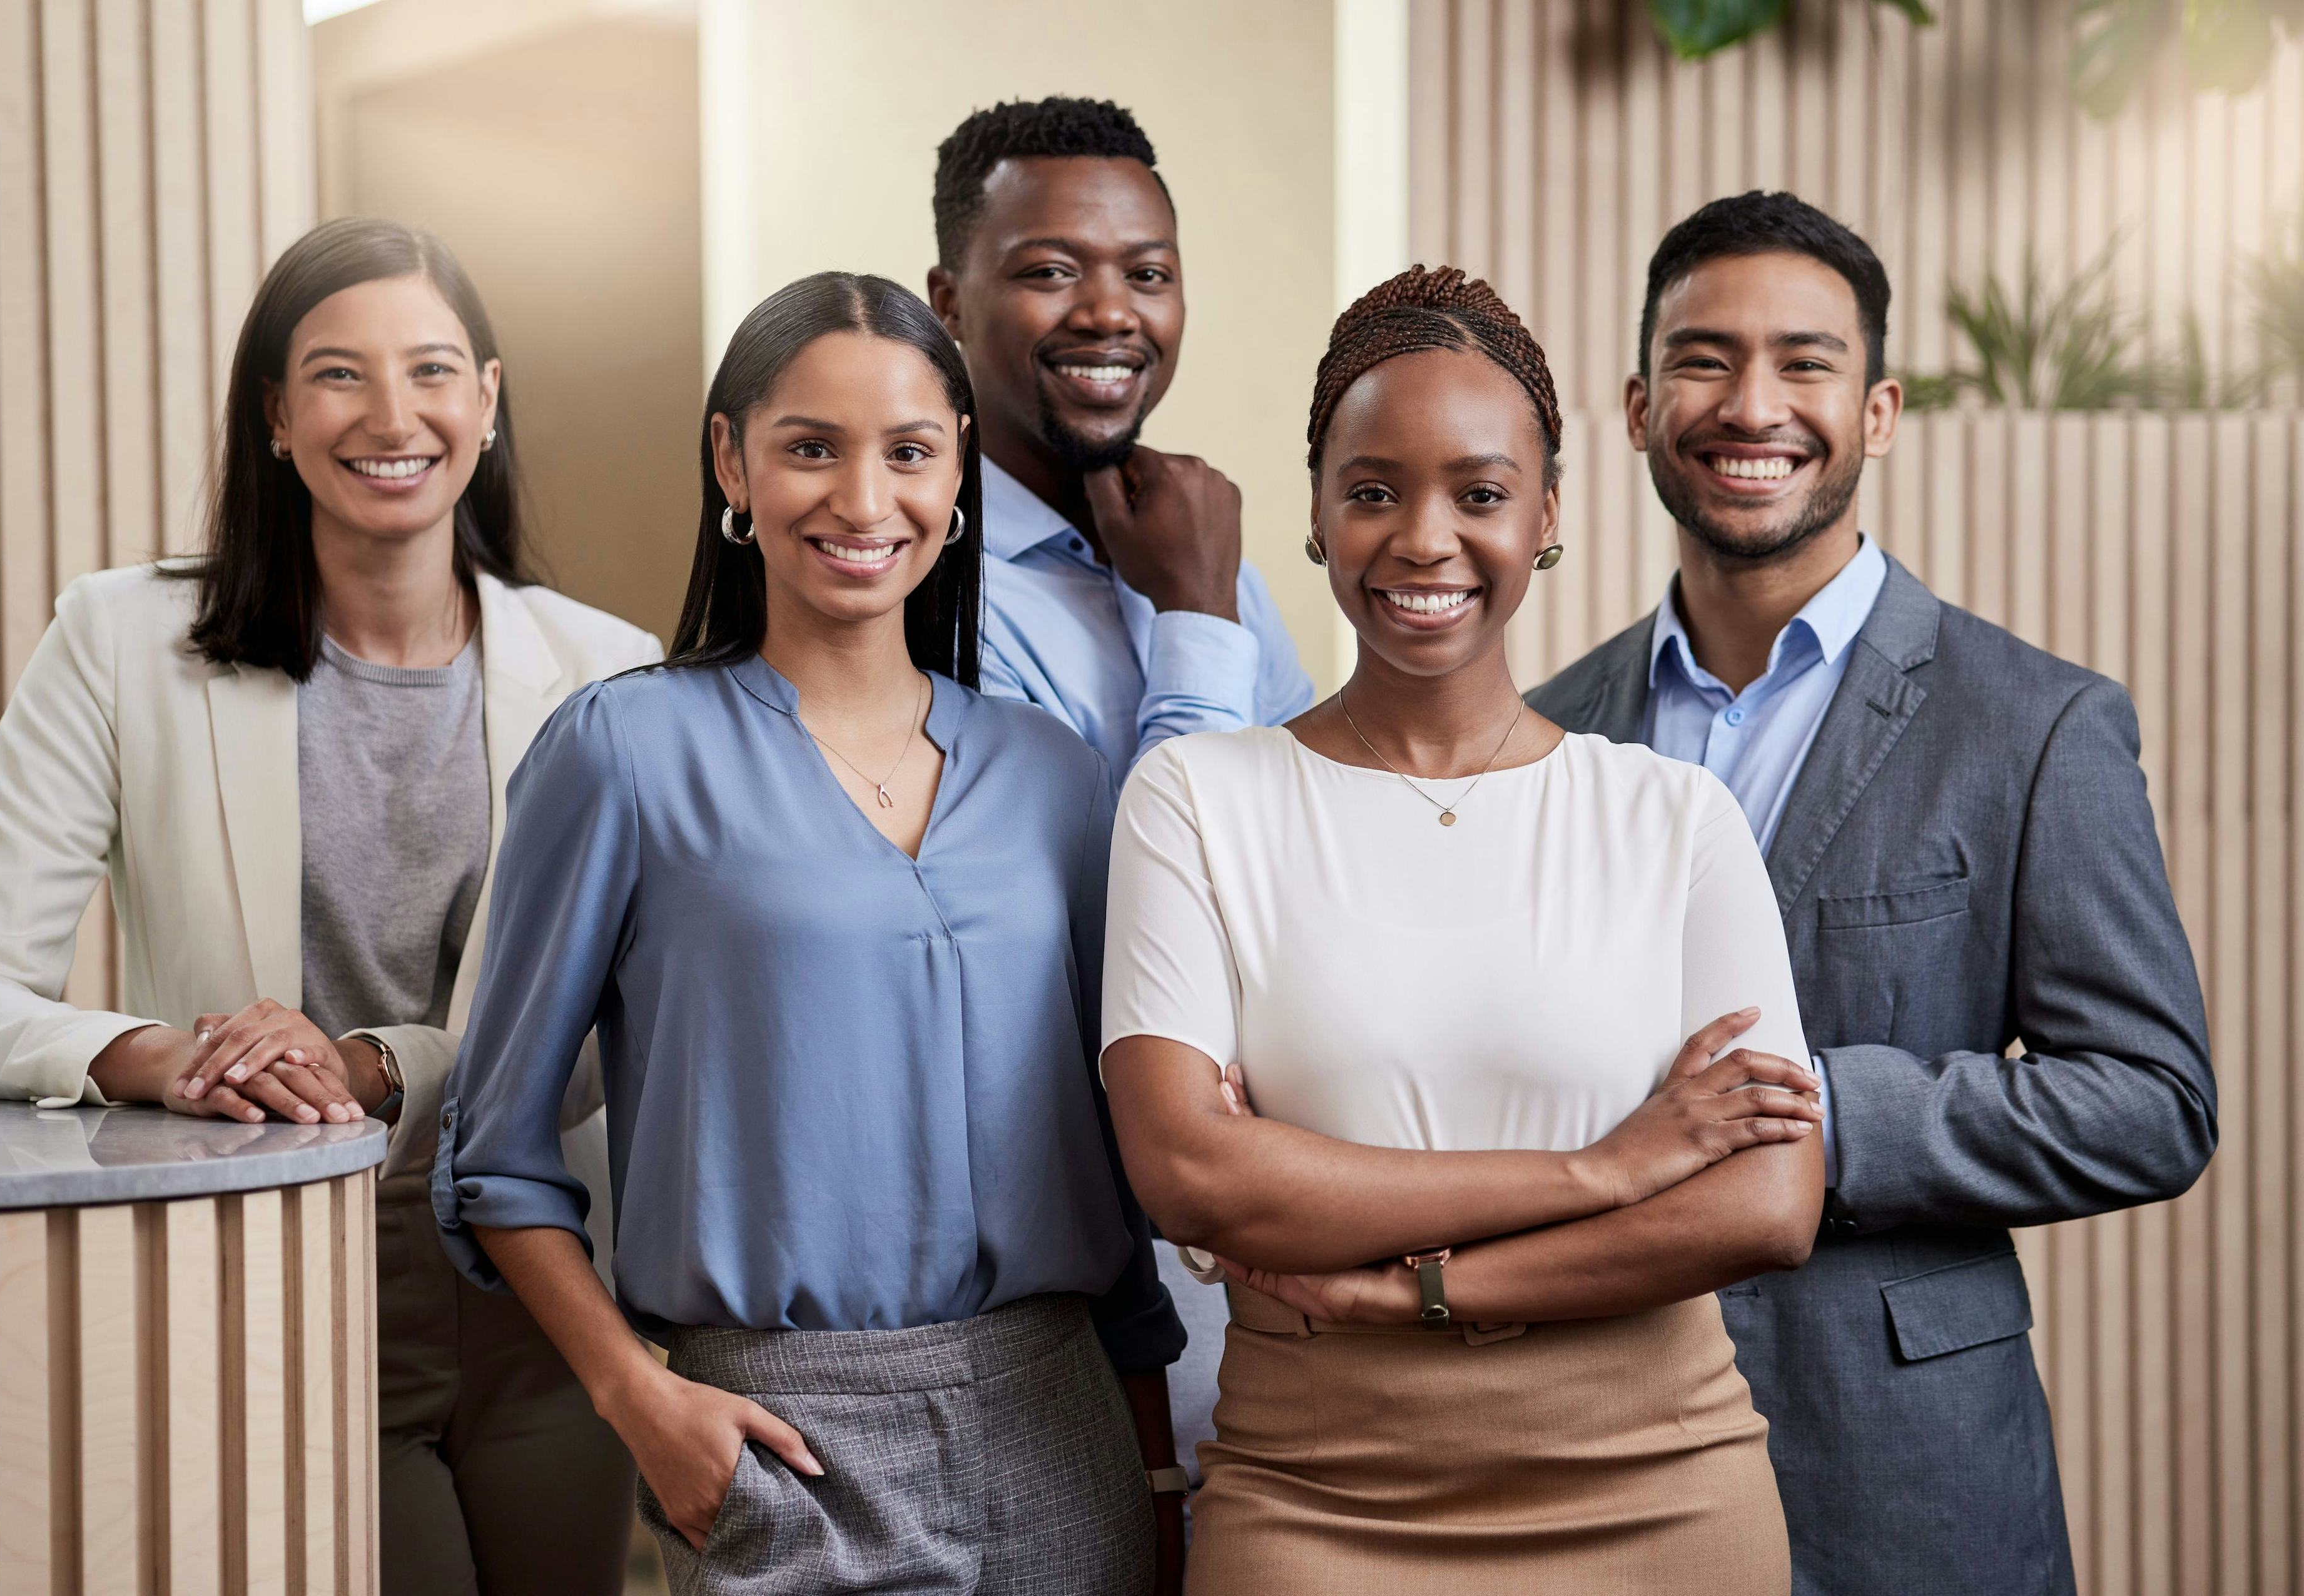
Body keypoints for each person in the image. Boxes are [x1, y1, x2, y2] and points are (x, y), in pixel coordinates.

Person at [0, 217, 656, 1594]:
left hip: (557, 1295)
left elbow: (619, 1032)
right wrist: (163, 1059)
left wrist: (375, 1063)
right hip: (283, 1280)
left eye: (431, 371)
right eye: (335, 374)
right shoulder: (121, 643)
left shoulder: (610, 670)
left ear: (486, 404)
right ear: (273, 415)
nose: (390, 416)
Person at [432, 271, 1186, 1596]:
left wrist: (1156, 1477)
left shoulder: (1056, 776)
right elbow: (491, 1155)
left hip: (1063, 1429)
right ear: (732, 459)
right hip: (783, 1446)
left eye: (909, 452)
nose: (863, 500)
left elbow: (1114, 1184)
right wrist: (639, 1399)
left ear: (959, 479)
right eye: (810, 448)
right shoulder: (624, 753)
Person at [1526, 191, 2218, 1595]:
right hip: (1585, 1448)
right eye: (1705, 359)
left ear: (1880, 410)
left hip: (1906, 1470)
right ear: (1638, 404)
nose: (1752, 403)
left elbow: (2155, 1100)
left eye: (1806, 361)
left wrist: (1822, 1111)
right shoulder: (1542, 727)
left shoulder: (2033, 723)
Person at [1101, 265, 1830, 1595]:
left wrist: (1412, 1289)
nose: (1423, 539)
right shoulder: (1200, 799)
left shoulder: (1674, 817)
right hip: (1317, 1505)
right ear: (1318, 511)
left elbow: (1769, 1203)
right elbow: (1194, 1176)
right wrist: (1605, 1172)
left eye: (1479, 494)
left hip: (1663, 1495)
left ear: (1546, 514)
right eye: (1373, 490)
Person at [925, 93, 1316, 1492]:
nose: (1112, 313)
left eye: (1148, 272)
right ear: (947, 300)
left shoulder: (1211, 563)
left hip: (1253, 1260)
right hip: (1035, 1283)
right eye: (1050, 271)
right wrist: (1199, 628)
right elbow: (1122, 927)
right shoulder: (912, 575)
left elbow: (1299, 885)